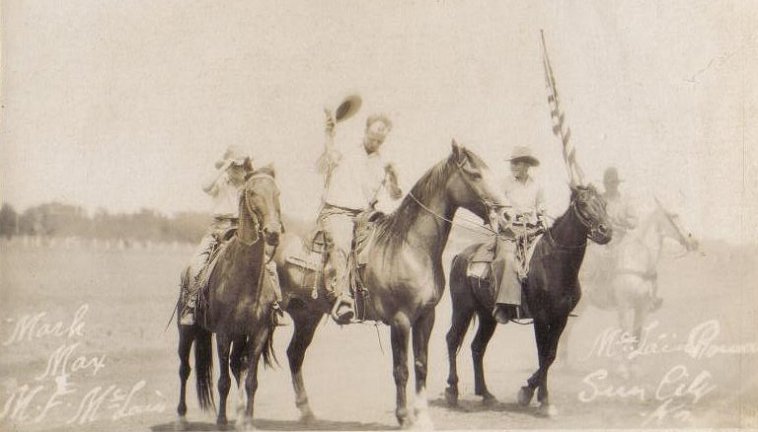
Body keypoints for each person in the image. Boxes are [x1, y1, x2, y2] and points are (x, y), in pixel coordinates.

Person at [180, 145, 286, 326]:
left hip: (243, 231)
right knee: (195, 264)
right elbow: (205, 186)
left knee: (270, 267)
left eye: (242, 166)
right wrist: (224, 166)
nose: (239, 170)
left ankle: (275, 306)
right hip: (218, 230)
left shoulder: (249, 185)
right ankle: (190, 306)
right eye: (236, 166)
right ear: (229, 168)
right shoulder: (220, 183)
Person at [317, 111, 403, 324]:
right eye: (373, 137)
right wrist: (329, 133)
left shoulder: (382, 162)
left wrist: (394, 176)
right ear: (365, 131)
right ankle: (343, 298)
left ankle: (380, 298)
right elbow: (326, 158)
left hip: (365, 215)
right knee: (342, 245)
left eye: (380, 140)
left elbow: (394, 194)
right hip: (338, 211)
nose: (375, 142)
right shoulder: (345, 151)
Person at [491, 146, 546, 324]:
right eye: (512, 163)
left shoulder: (537, 185)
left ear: (526, 165)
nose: (513, 166)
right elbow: (495, 209)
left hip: (532, 230)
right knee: (507, 259)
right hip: (510, 231)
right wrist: (506, 224)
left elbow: (542, 207)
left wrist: (541, 218)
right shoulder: (504, 184)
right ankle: (503, 305)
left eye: (517, 162)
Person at [602, 167, 638, 240]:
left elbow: (635, 221)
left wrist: (625, 221)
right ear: (604, 184)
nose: (611, 186)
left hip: (621, 240)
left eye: (613, 183)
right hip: (602, 241)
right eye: (608, 183)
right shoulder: (598, 200)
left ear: (617, 184)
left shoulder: (625, 201)